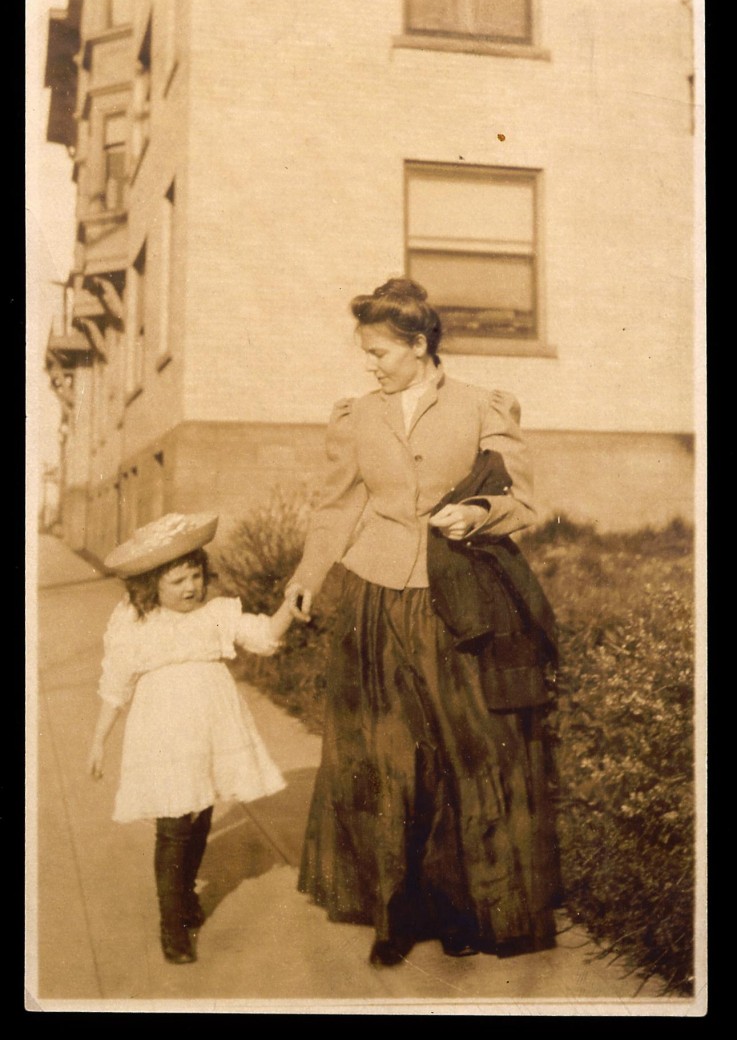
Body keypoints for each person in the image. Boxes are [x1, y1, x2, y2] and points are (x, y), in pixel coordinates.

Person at [285, 277, 561, 966]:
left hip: (454, 599)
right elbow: (336, 508)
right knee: (384, 755)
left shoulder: (481, 406)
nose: (369, 364)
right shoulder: (354, 417)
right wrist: (305, 580)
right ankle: (393, 913)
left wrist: (476, 514)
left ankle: (469, 911)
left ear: (417, 344)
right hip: (376, 597)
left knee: (466, 751)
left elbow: (522, 501)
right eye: (365, 353)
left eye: (379, 351)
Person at [87, 511, 305, 965]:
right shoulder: (133, 622)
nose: (190, 588)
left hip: (212, 723)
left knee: (201, 813)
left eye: (196, 576)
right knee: (172, 825)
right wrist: (98, 739)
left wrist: (290, 607)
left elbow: (263, 635)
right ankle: (173, 927)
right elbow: (116, 681)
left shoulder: (217, 612)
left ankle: (185, 894)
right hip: (163, 730)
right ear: (151, 587)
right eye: (177, 582)